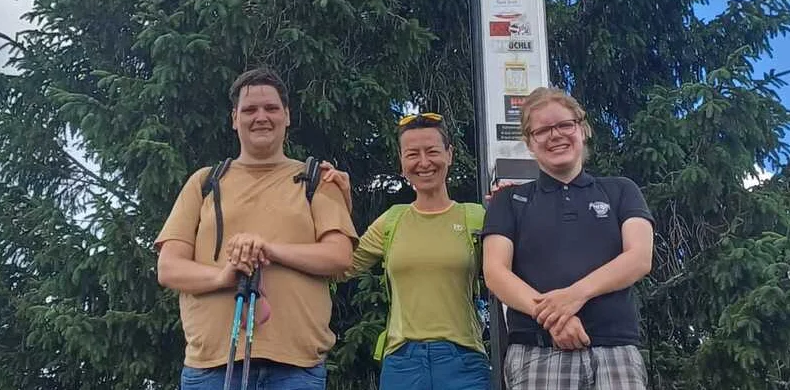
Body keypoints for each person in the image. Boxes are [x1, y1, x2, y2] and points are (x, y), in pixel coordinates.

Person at [155, 67, 359, 390]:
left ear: (287, 116)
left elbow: (339, 256)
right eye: (249, 110)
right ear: (234, 118)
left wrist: (268, 249)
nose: (261, 117)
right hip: (211, 366)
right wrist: (224, 276)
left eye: (271, 108)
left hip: (296, 367)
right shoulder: (204, 182)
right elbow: (168, 268)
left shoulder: (318, 179)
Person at [481, 87, 655, 389]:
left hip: (616, 352)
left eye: (565, 124)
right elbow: (495, 273)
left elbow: (639, 258)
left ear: (582, 129)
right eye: (542, 130)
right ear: (529, 142)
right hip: (538, 353)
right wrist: (554, 317)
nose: (556, 135)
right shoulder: (508, 201)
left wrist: (575, 295)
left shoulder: (622, 190)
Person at [320, 112, 491, 390]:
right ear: (402, 162)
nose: (423, 162)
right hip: (403, 361)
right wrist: (340, 200)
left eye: (432, 151)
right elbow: (340, 267)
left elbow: (515, 266)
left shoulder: (475, 217)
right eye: (412, 154)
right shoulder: (392, 221)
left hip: (464, 360)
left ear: (449, 154)